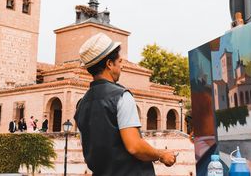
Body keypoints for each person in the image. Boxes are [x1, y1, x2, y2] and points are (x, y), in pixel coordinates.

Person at [74, 33, 176, 176]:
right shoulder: (121, 96)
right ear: (109, 64)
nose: (121, 65)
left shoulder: (81, 105)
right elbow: (134, 146)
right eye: (119, 61)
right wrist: (161, 154)